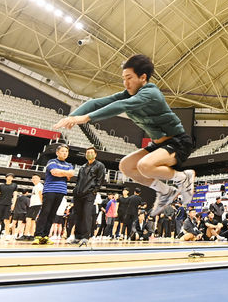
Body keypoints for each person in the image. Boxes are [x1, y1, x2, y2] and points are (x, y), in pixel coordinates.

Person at [54, 54, 196, 217]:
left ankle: (183, 177)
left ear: (143, 77)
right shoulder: (127, 94)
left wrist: (86, 118)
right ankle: (165, 191)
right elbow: (96, 102)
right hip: (158, 145)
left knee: (144, 166)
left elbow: (122, 105)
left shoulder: (151, 93)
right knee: (126, 166)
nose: (125, 83)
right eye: (123, 78)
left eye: (129, 78)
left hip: (178, 141)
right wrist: (72, 117)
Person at [33, 144, 75, 245]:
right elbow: (54, 172)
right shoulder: (52, 161)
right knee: (45, 212)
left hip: (61, 191)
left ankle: (46, 236)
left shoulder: (69, 164)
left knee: (52, 214)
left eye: (66, 151)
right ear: (57, 152)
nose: (65, 153)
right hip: (50, 190)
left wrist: (63, 173)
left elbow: (72, 174)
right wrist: (65, 173)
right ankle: (38, 235)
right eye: (63, 151)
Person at [69, 147, 106, 246]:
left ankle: (85, 237)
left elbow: (100, 180)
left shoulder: (99, 165)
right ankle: (77, 237)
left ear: (95, 154)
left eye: (91, 152)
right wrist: (75, 190)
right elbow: (78, 180)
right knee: (78, 215)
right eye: (87, 152)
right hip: (78, 194)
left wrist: (94, 191)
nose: (88, 154)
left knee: (86, 215)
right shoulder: (83, 167)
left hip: (89, 194)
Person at [0, 173, 18, 238]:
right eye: (8, 176)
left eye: (11, 177)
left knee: (6, 220)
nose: (10, 178)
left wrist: (13, 204)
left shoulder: (14, 185)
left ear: (12, 178)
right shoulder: (1, 186)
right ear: (6, 178)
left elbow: (15, 196)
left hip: (8, 205)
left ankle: (6, 235)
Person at [19, 174, 43, 241]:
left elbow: (41, 195)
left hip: (37, 204)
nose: (34, 179)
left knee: (28, 219)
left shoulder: (40, 186)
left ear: (39, 179)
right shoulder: (35, 186)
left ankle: (25, 235)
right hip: (33, 205)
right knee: (32, 220)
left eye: (35, 178)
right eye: (33, 178)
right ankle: (32, 235)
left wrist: (41, 204)